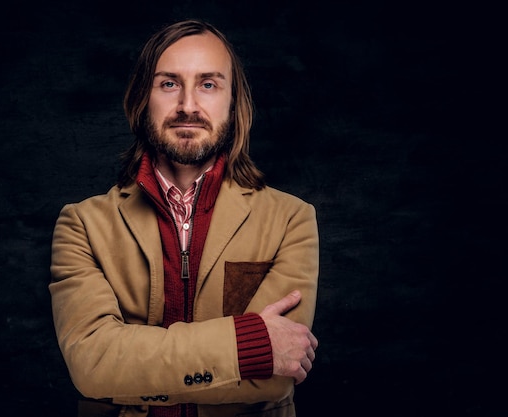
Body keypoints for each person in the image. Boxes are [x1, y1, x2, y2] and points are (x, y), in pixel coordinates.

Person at [49, 19, 319, 417]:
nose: (188, 106)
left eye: (208, 84)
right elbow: (93, 367)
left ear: (233, 102)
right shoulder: (82, 226)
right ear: (143, 99)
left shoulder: (291, 220)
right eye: (169, 83)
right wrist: (248, 346)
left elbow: (277, 375)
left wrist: (136, 371)